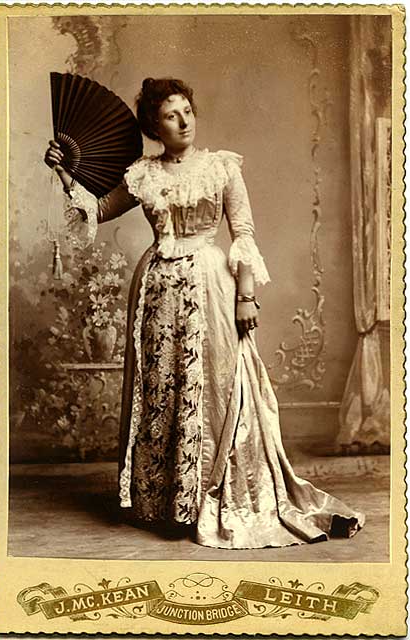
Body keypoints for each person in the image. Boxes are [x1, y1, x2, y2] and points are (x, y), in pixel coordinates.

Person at [44, 77, 364, 549]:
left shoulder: (221, 168)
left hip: (212, 283)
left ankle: (213, 496)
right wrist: (66, 174)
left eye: (187, 111)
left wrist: (246, 294)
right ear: (155, 125)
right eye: (172, 115)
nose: (184, 121)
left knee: (215, 382)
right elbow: (98, 209)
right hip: (155, 288)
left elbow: (244, 232)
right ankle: (165, 501)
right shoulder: (143, 174)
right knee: (162, 385)